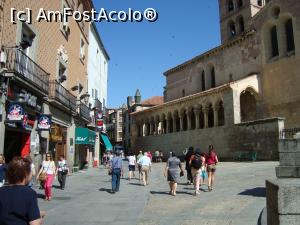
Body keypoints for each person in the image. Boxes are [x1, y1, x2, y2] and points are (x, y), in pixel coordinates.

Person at [0, 157, 45, 225]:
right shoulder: (30, 193)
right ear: (26, 175)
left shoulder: (1, 191)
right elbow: (35, 223)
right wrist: (40, 218)